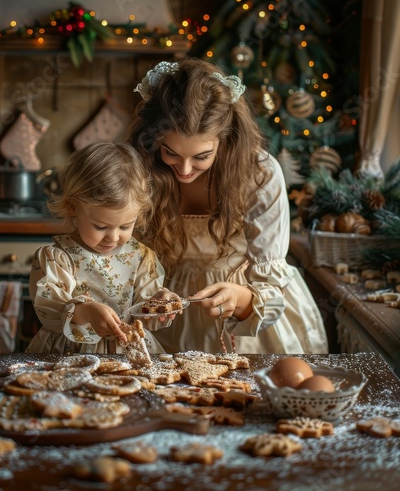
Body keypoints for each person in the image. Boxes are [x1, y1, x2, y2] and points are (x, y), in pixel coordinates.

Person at [129, 58, 329, 354]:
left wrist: (243, 299)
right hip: (165, 307)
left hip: (248, 307)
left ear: (225, 139)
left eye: (201, 156)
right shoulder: (139, 166)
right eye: (170, 153)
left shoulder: (258, 173)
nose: (184, 170)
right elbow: (125, 256)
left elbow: (270, 281)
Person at [25, 141, 174, 355]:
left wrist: (159, 304)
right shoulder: (57, 258)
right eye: (101, 226)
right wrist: (84, 312)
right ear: (72, 208)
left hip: (127, 351)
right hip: (71, 352)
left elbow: (145, 310)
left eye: (125, 226)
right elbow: (48, 307)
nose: (113, 237)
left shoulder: (141, 257)